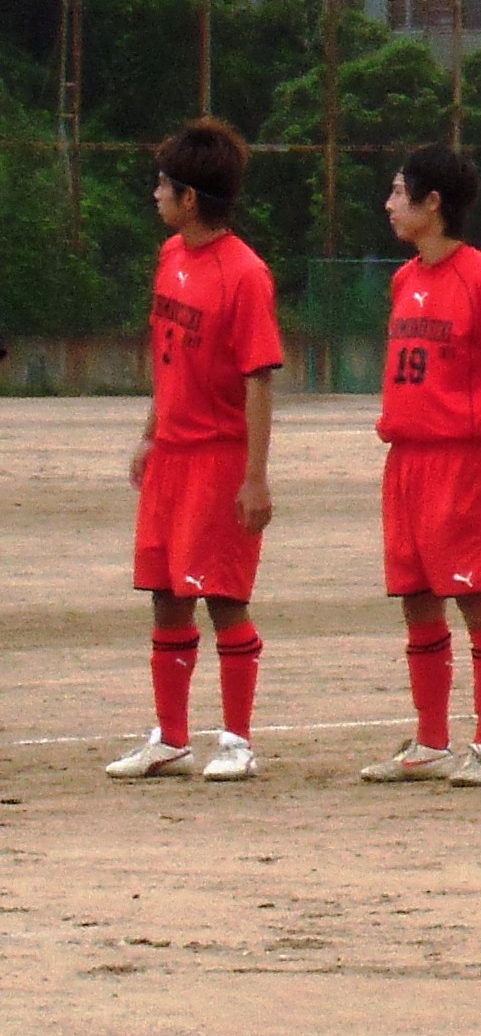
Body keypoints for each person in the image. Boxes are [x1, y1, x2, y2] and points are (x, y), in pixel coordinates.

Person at [108, 118, 282, 782]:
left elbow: (258, 377)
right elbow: (165, 356)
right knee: (164, 593)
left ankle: (236, 739)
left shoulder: (245, 274)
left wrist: (255, 477)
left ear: (190, 197)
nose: (155, 195)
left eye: (163, 185)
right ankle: (172, 736)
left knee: (222, 595)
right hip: (172, 457)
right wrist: (150, 434)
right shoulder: (171, 257)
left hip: (218, 459)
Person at [361, 145, 481, 788]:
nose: (389, 203)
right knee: (416, 598)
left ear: (434, 204)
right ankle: (432, 741)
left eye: (400, 191)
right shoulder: (405, 279)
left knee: (476, 599)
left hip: (461, 459)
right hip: (405, 458)